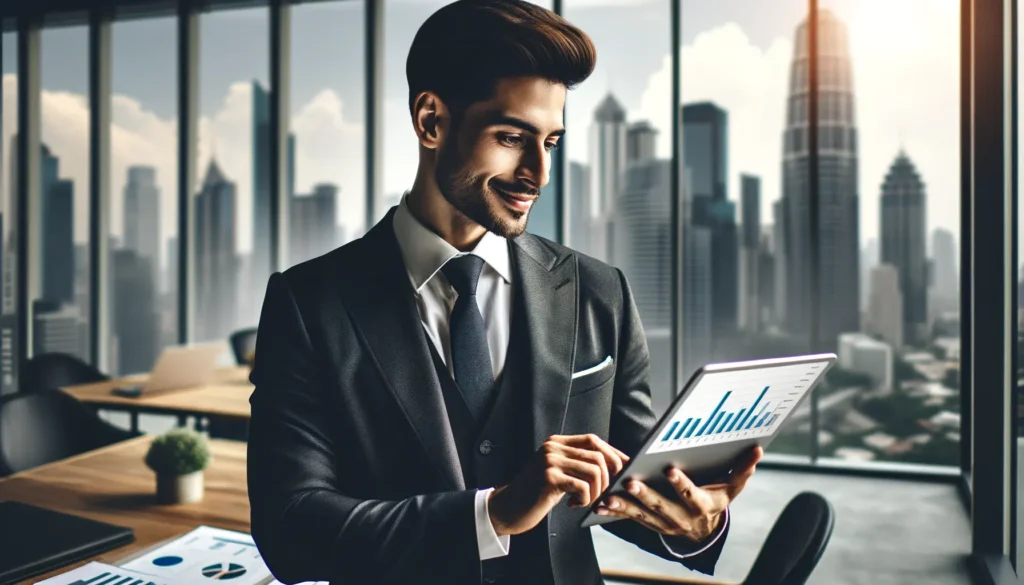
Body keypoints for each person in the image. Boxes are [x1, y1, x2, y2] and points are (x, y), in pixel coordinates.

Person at [246, 1, 762, 583]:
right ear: (431, 121)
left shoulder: (597, 291)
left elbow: (626, 490)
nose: (538, 174)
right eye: (512, 136)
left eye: (552, 142)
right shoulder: (309, 304)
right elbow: (290, 530)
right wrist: (491, 513)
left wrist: (694, 524)